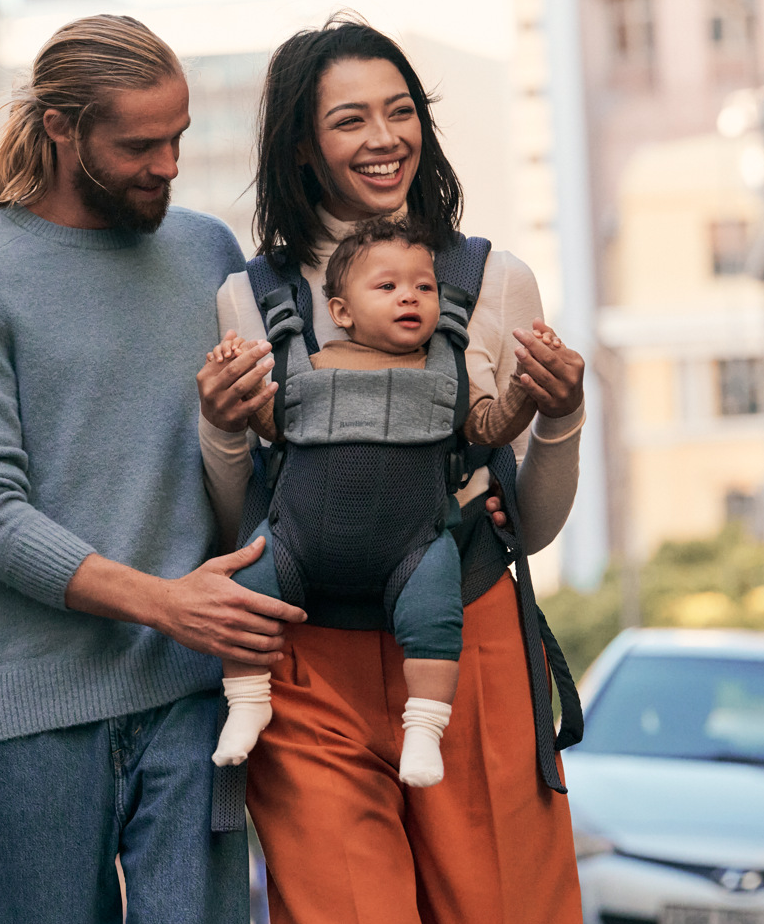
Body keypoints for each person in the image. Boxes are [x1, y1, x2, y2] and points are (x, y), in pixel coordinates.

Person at [195, 15, 587, 924]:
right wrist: (219, 429)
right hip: (306, 664)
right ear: (302, 146)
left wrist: (561, 416)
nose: (383, 139)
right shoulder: (248, 299)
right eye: (349, 120)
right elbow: (238, 523)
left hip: (470, 641)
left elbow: (524, 527)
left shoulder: (495, 282)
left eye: (401, 111)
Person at [0, 14, 302, 924]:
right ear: (61, 130)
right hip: (35, 720)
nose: (167, 165)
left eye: (177, 140)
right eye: (138, 145)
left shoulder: (208, 254)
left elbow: (260, 459)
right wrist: (164, 603)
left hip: (190, 701)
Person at [204, 220, 549, 782]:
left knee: (435, 624)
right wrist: (233, 393)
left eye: (424, 287)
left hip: (412, 551)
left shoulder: (448, 370)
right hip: (295, 543)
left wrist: (531, 392)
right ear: (340, 312)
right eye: (387, 287)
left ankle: (425, 730)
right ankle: (247, 702)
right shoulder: (307, 365)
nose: (409, 295)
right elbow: (275, 426)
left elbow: (488, 428)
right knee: (248, 599)